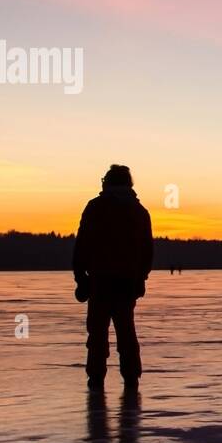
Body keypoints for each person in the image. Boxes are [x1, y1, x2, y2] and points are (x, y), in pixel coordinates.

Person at [73, 164, 154, 393]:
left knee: (97, 334)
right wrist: (141, 278)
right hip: (127, 283)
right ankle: (131, 379)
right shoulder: (139, 212)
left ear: (107, 182)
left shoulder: (95, 208)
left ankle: (96, 379)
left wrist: (81, 277)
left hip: (101, 281)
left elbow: (82, 245)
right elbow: (147, 250)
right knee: (126, 332)